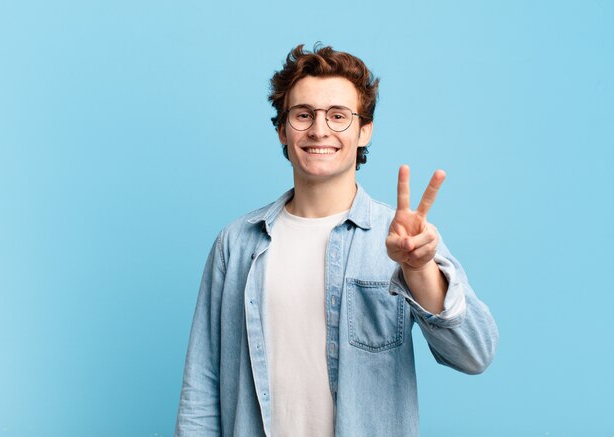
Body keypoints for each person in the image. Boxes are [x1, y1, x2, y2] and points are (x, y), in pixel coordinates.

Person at [175, 44, 498, 437]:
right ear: (282, 129)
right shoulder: (237, 243)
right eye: (303, 114)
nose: (319, 129)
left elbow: (474, 354)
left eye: (338, 116)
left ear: (364, 131)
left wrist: (419, 270)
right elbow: (202, 384)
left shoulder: (401, 239)